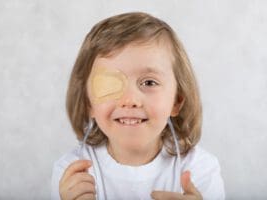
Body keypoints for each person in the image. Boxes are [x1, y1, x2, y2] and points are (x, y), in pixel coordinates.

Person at [51, 12, 225, 200]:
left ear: (177, 101)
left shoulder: (200, 170)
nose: (130, 99)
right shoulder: (72, 175)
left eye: (149, 83)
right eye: (110, 84)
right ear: (88, 102)